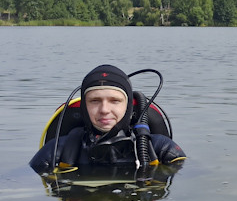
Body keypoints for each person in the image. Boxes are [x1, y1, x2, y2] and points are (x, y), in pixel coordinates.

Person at [30, 64, 185, 175]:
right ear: (84, 106)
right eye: (95, 101)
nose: (104, 110)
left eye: (115, 101)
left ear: (128, 106)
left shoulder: (161, 149)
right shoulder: (56, 150)